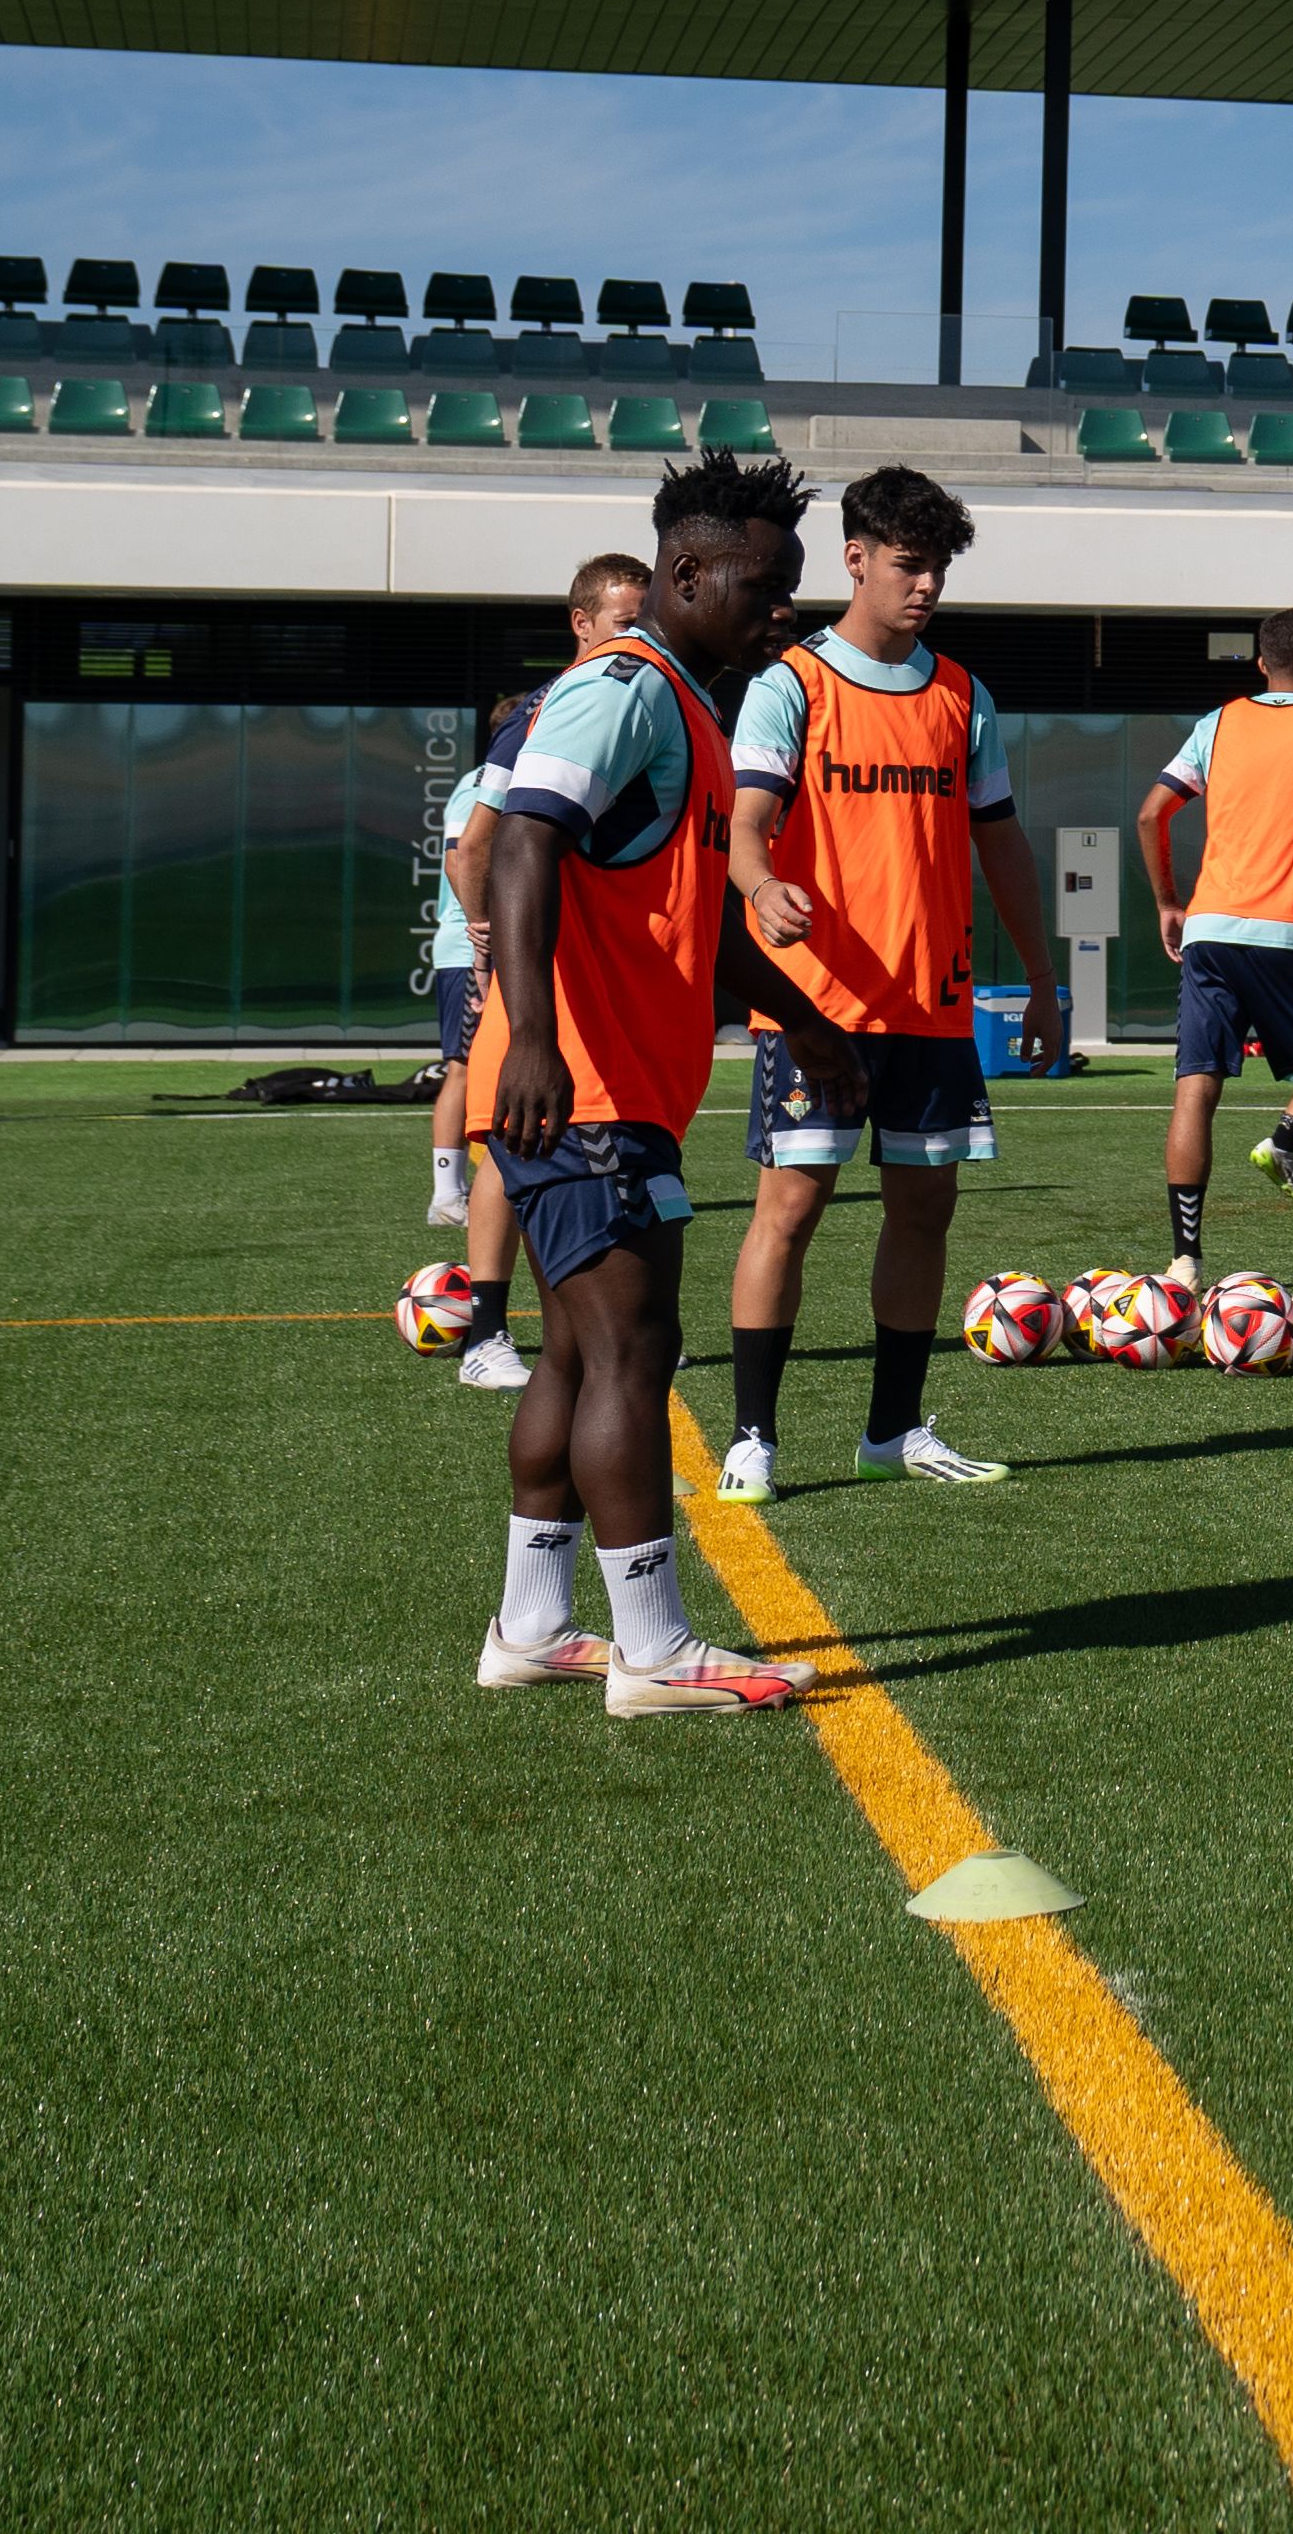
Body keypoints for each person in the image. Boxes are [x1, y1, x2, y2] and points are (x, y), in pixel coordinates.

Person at [466, 451, 837, 1716]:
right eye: (765, 581)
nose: (784, 606)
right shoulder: (624, 686)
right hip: (582, 1088)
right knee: (633, 1349)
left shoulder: (684, 704)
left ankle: (529, 1624)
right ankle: (655, 1648)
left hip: (601, 1085)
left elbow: (697, 926)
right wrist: (527, 1034)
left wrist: (805, 1020)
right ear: (683, 573)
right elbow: (523, 841)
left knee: (577, 1356)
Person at [716, 464, 1061, 1503]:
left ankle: (892, 1429)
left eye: (938, 569)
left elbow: (1000, 847)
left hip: (933, 1005)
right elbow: (740, 828)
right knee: (790, 1206)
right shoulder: (790, 683)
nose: (926, 588)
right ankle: (752, 1439)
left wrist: (1042, 980)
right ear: (855, 557)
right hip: (816, 1001)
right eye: (909, 566)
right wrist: (763, 881)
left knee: (925, 1210)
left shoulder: (962, 693)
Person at [430, 555, 651, 1388]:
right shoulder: (546, 710)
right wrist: (491, 947)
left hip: (610, 983)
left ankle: (573, 1333)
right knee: (510, 1144)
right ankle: (486, 1333)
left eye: (644, 620)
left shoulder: (638, 699)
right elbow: (478, 846)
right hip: (543, 977)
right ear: (581, 622)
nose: (633, 636)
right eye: (621, 620)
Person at [1142, 608, 1293, 1284]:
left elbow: (1150, 811)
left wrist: (1168, 902)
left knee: (1196, 1090)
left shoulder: (1216, 723)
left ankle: (1184, 1262)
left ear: (1260, 665)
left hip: (1212, 930)